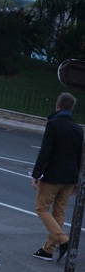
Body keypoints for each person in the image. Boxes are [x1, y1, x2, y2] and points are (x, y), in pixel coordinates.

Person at [31, 92, 83, 262]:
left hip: (53, 175)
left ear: (57, 105)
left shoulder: (53, 124)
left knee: (41, 208)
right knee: (59, 212)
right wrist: (77, 179)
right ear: (72, 108)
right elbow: (79, 156)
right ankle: (48, 250)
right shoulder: (78, 128)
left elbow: (45, 151)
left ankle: (63, 240)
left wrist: (36, 174)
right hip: (70, 177)